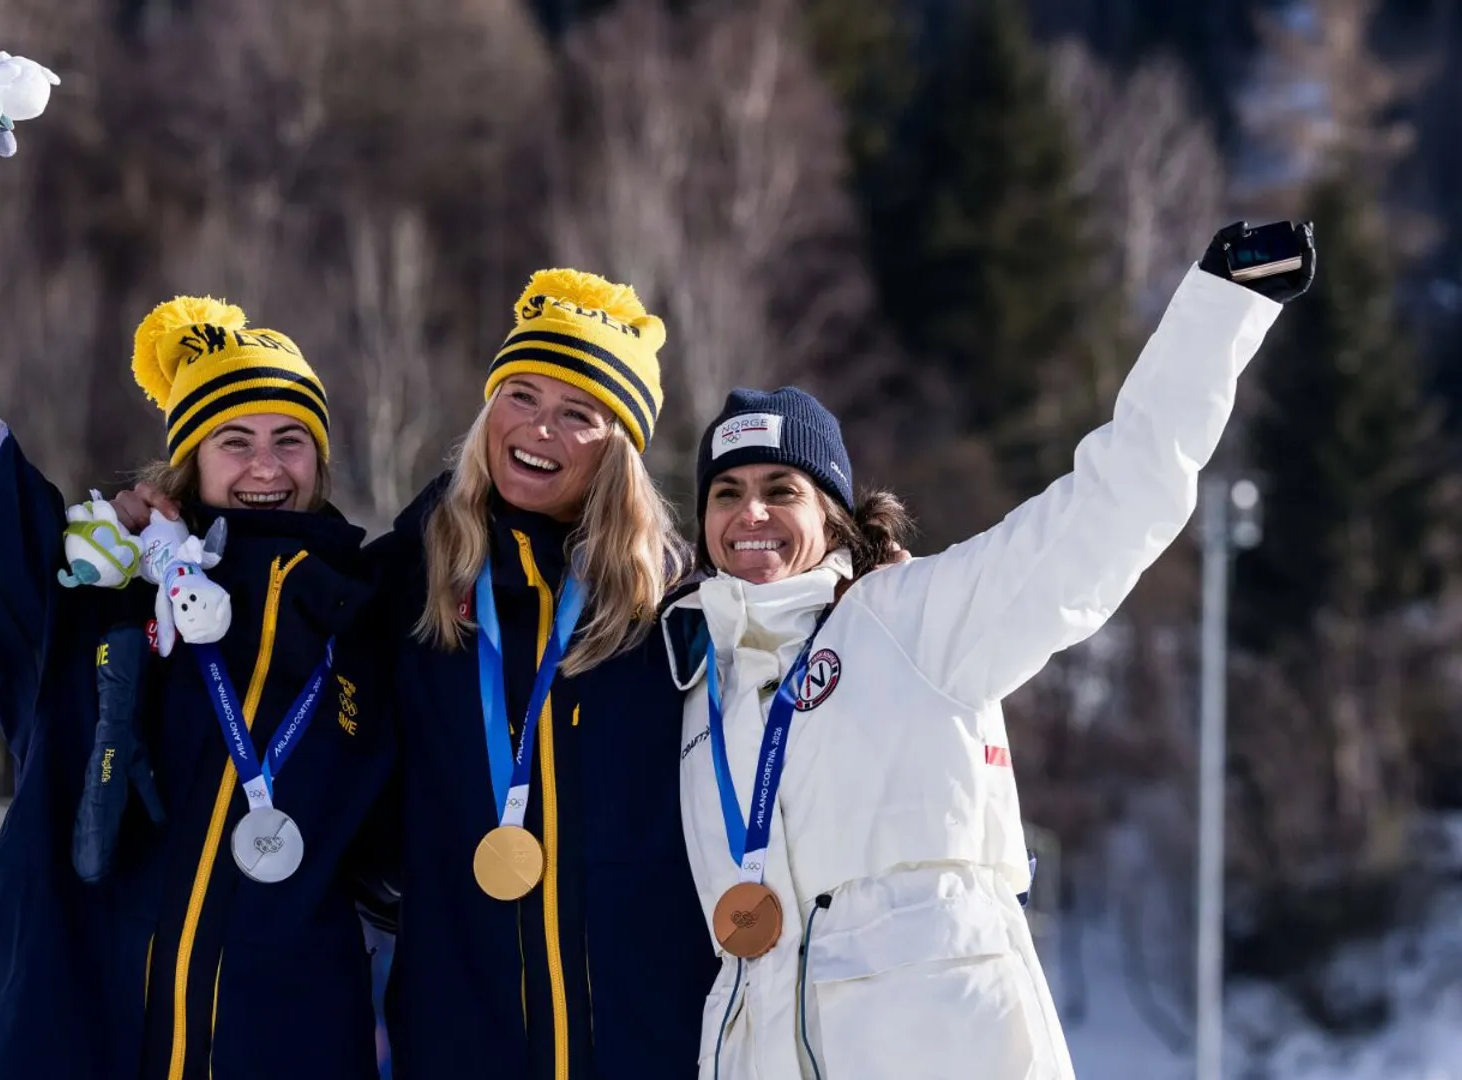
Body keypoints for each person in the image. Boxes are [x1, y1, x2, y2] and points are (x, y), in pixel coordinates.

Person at [661, 221, 1316, 1079]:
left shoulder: (917, 619)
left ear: (834, 514)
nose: (750, 515)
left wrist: (1216, 309)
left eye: (780, 490)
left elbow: (1114, 505)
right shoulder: (696, 686)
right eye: (726, 493)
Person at [0, 59, 389, 1080]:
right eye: (235, 441)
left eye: (292, 440)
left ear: (323, 462)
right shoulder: (90, 595)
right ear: (188, 460)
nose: (267, 466)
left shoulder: (370, 617)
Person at [363, 269, 718, 1080]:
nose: (539, 429)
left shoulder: (678, 611)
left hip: (646, 1045)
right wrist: (162, 541)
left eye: (577, 415)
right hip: (461, 1037)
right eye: (520, 396)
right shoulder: (402, 583)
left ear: (618, 449)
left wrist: (866, 583)